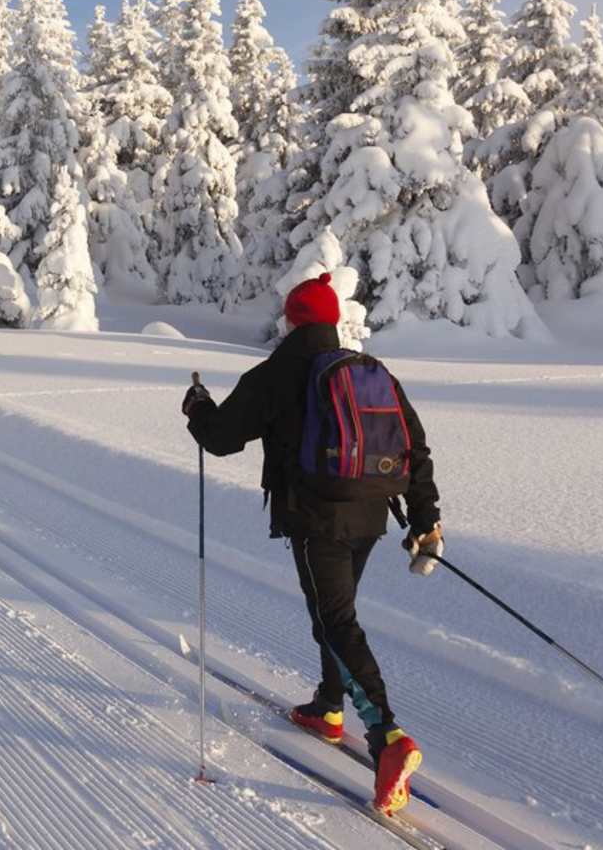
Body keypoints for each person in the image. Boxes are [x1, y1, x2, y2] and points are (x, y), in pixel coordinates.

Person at [182, 273, 444, 819]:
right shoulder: (371, 372)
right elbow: (414, 448)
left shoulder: (277, 373)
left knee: (335, 621)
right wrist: (425, 521)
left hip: (314, 517)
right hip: (372, 514)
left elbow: (222, 438)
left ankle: (387, 738)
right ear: (331, 320)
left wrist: (197, 406)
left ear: (292, 319)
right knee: (334, 611)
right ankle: (329, 706)